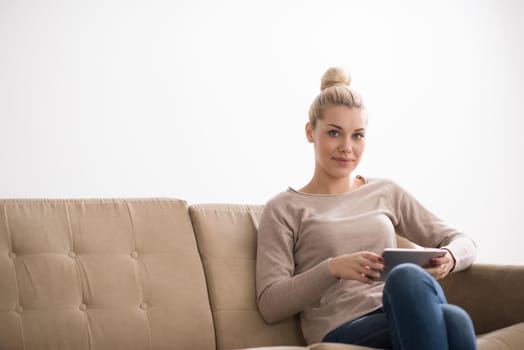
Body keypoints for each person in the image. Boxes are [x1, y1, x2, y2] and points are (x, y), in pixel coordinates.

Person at [255, 67, 478, 349]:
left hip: (402, 309)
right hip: (344, 327)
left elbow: (463, 241)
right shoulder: (284, 208)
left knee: (452, 316)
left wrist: (450, 257)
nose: (347, 147)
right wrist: (333, 268)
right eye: (334, 133)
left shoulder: (385, 191)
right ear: (311, 132)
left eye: (357, 136)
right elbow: (270, 304)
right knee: (443, 311)